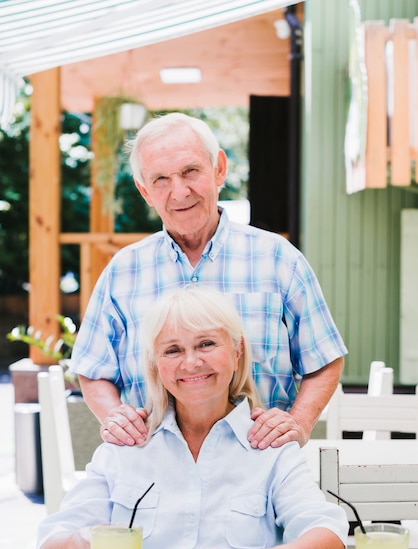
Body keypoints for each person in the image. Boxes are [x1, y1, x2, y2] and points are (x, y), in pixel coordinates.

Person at [38, 287, 348, 549]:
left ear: (237, 350)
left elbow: (330, 535)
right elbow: (50, 543)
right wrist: (83, 546)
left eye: (207, 344)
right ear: (155, 363)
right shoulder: (127, 445)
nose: (191, 362)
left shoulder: (270, 445)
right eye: (172, 350)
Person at [70, 112, 347, 449]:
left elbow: (325, 359)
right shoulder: (123, 270)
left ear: (218, 168)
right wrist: (115, 417)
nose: (179, 191)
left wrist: (299, 424)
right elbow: (93, 367)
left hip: (263, 468)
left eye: (190, 171)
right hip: (154, 469)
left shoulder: (278, 258)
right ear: (145, 191)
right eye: (160, 179)